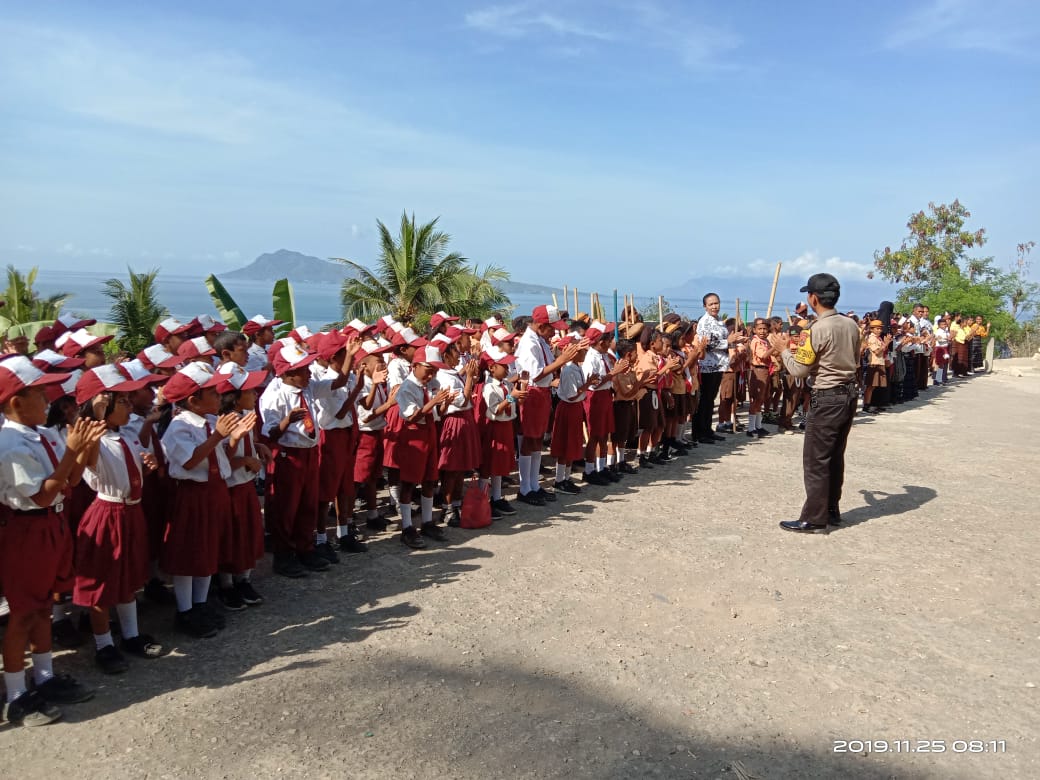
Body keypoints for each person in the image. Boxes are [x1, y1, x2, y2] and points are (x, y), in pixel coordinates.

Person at [0, 357, 106, 725]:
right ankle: (16, 694)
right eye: (40, 395)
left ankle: (44, 676)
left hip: (52, 525)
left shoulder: (42, 433)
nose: (48, 401)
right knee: (23, 612)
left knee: (44, 605)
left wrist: (78, 449)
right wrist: (70, 452)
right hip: (27, 530)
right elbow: (41, 495)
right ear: (16, 401)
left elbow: (71, 482)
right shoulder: (9, 442)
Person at [72, 365, 165, 673]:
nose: (128, 406)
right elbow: (87, 462)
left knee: (127, 578)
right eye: (121, 401)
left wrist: (146, 466)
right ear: (103, 405)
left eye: (127, 400)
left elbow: (133, 467)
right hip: (108, 513)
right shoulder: (91, 437)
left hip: (131, 512)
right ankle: (104, 646)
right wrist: (96, 416)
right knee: (102, 583)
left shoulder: (125, 435)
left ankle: (131, 635)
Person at [775, 274, 862, 534]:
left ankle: (814, 517)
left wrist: (782, 350)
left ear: (813, 299)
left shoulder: (816, 330)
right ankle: (831, 509)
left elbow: (800, 371)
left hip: (826, 396)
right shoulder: (851, 325)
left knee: (816, 459)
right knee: (835, 455)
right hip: (848, 393)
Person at [693, 294, 728, 444]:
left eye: (716, 303)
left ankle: (707, 429)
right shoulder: (705, 322)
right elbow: (706, 344)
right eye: (711, 304)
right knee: (704, 399)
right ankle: (699, 432)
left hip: (718, 364)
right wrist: (727, 342)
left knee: (711, 399)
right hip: (707, 365)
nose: (714, 306)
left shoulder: (719, 321)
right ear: (705, 306)